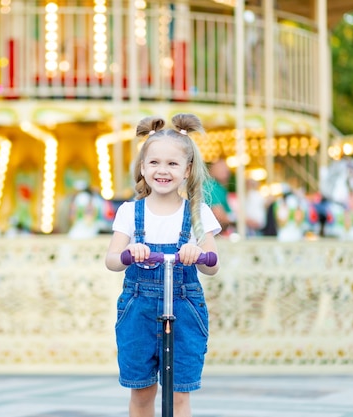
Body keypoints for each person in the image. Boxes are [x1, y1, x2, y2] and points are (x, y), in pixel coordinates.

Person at [105, 114, 221, 417]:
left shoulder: (197, 213)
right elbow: (112, 260)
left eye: (172, 164)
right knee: (141, 392)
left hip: (184, 306)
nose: (163, 170)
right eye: (154, 162)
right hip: (138, 307)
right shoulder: (130, 212)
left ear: (187, 170)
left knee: (180, 393)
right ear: (143, 168)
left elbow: (213, 264)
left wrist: (197, 253)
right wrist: (130, 252)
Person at [206, 158, 234, 234]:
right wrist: (241, 220)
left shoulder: (220, 188)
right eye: (220, 168)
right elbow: (218, 214)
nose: (225, 171)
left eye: (225, 168)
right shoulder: (212, 187)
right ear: (212, 170)